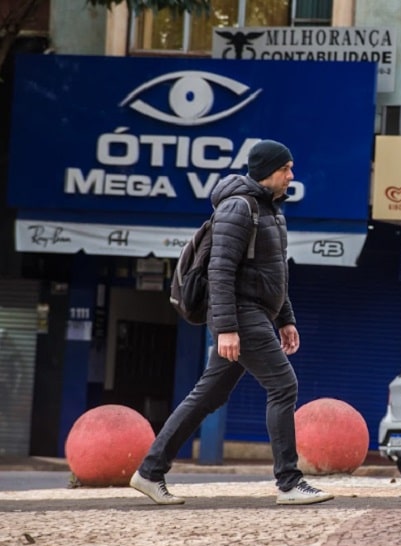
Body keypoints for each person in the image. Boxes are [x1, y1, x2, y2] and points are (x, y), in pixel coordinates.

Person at [130, 139, 333, 506]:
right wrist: (225, 328)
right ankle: (288, 483)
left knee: (210, 393)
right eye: (285, 168)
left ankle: (149, 471)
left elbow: (276, 275)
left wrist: (286, 319)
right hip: (240, 314)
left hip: (256, 314)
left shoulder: (271, 210)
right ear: (267, 171)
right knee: (283, 385)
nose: (291, 175)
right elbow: (219, 271)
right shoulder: (238, 208)